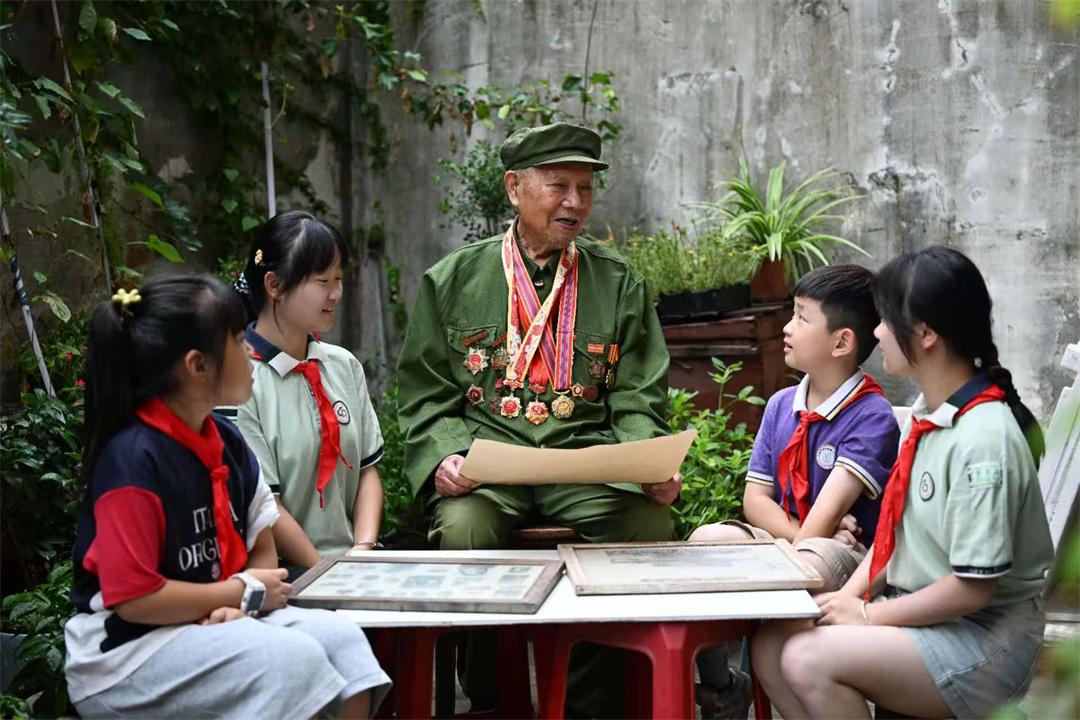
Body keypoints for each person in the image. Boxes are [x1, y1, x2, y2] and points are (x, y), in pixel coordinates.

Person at [396, 122, 680, 715]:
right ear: (514, 188)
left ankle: (592, 703)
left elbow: (637, 397)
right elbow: (425, 392)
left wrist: (648, 461)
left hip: (584, 465)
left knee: (645, 525)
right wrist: (445, 455)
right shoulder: (452, 280)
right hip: (489, 469)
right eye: (558, 186)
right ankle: (492, 700)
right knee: (464, 532)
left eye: (585, 188)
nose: (575, 202)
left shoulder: (618, 282)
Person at [64, 275, 390, 718]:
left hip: (212, 619)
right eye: (238, 341)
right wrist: (236, 593)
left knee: (343, 641)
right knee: (291, 660)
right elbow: (136, 599)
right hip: (125, 653)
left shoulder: (227, 441)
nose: (250, 351)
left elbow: (262, 545)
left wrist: (240, 601)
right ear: (197, 366)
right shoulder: (133, 461)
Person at [752, 246, 1053, 719]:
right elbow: (894, 535)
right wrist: (847, 599)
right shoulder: (927, 416)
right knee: (772, 645)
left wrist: (867, 614)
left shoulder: (983, 437)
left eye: (887, 321)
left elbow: (973, 590)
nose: (876, 332)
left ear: (926, 334)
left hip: (984, 638)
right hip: (921, 615)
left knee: (807, 658)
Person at [690, 264, 900, 718]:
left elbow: (826, 522)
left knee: (811, 561)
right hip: (791, 540)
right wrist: (793, 535)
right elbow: (754, 501)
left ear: (841, 343)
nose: (786, 327)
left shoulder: (871, 415)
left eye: (802, 318)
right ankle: (722, 688)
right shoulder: (781, 405)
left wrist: (802, 538)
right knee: (705, 542)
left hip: (843, 557)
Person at [234, 211, 385, 577]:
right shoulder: (239, 381)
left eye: (339, 279)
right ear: (274, 285)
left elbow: (368, 471)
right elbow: (266, 504)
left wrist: (363, 549)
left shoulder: (343, 365)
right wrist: (326, 573)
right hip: (286, 574)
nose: (336, 293)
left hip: (356, 565)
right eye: (322, 281)